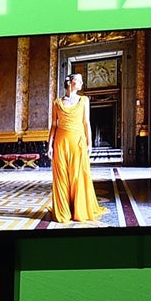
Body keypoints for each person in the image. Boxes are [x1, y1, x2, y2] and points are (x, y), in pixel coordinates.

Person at [49, 73, 106, 224]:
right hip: (60, 143)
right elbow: (54, 125)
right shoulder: (56, 102)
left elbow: (86, 122)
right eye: (78, 80)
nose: (81, 83)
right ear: (69, 82)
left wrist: (90, 143)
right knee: (61, 177)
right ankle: (63, 211)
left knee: (77, 176)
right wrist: (49, 145)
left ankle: (78, 210)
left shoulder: (84, 100)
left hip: (78, 142)